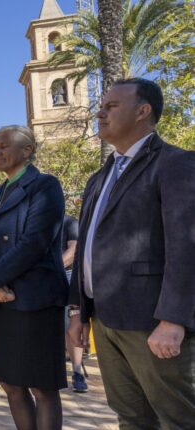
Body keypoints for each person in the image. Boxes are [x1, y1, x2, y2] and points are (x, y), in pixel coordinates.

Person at [69, 78, 195, 429]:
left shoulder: (175, 163)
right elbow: (86, 248)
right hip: (105, 321)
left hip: (152, 321)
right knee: (131, 417)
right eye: (101, 106)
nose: (100, 112)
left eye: (111, 106)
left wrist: (173, 320)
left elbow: (186, 246)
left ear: (143, 111)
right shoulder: (99, 177)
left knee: (177, 418)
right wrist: (79, 309)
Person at [0, 125, 69, 430]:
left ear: (27, 151)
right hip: (4, 303)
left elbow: (34, 243)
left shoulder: (45, 186)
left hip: (36, 300)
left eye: (4, 145)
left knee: (42, 386)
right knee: (11, 383)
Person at [60, 214, 87, 393]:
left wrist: (51, 269)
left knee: (71, 327)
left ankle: (77, 372)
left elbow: (74, 249)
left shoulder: (69, 222)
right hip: (43, 280)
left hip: (67, 277)